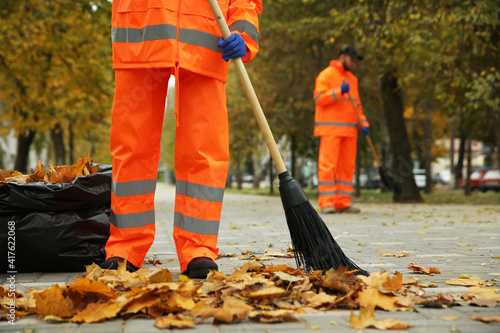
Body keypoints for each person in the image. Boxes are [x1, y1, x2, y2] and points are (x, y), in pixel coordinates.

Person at [100, 0, 262, 279]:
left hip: (209, 41)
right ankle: (125, 248)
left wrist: (244, 36)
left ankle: (198, 249)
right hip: (139, 35)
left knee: (205, 151)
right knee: (131, 148)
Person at [313, 46, 369, 214]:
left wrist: (363, 122)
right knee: (328, 166)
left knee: (347, 167)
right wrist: (338, 92)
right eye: (352, 60)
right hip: (330, 129)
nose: (353, 64)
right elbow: (319, 98)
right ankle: (326, 203)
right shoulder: (326, 75)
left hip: (350, 131)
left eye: (355, 61)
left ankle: (343, 202)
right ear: (342, 57)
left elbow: (357, 105)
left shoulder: (352, 80)